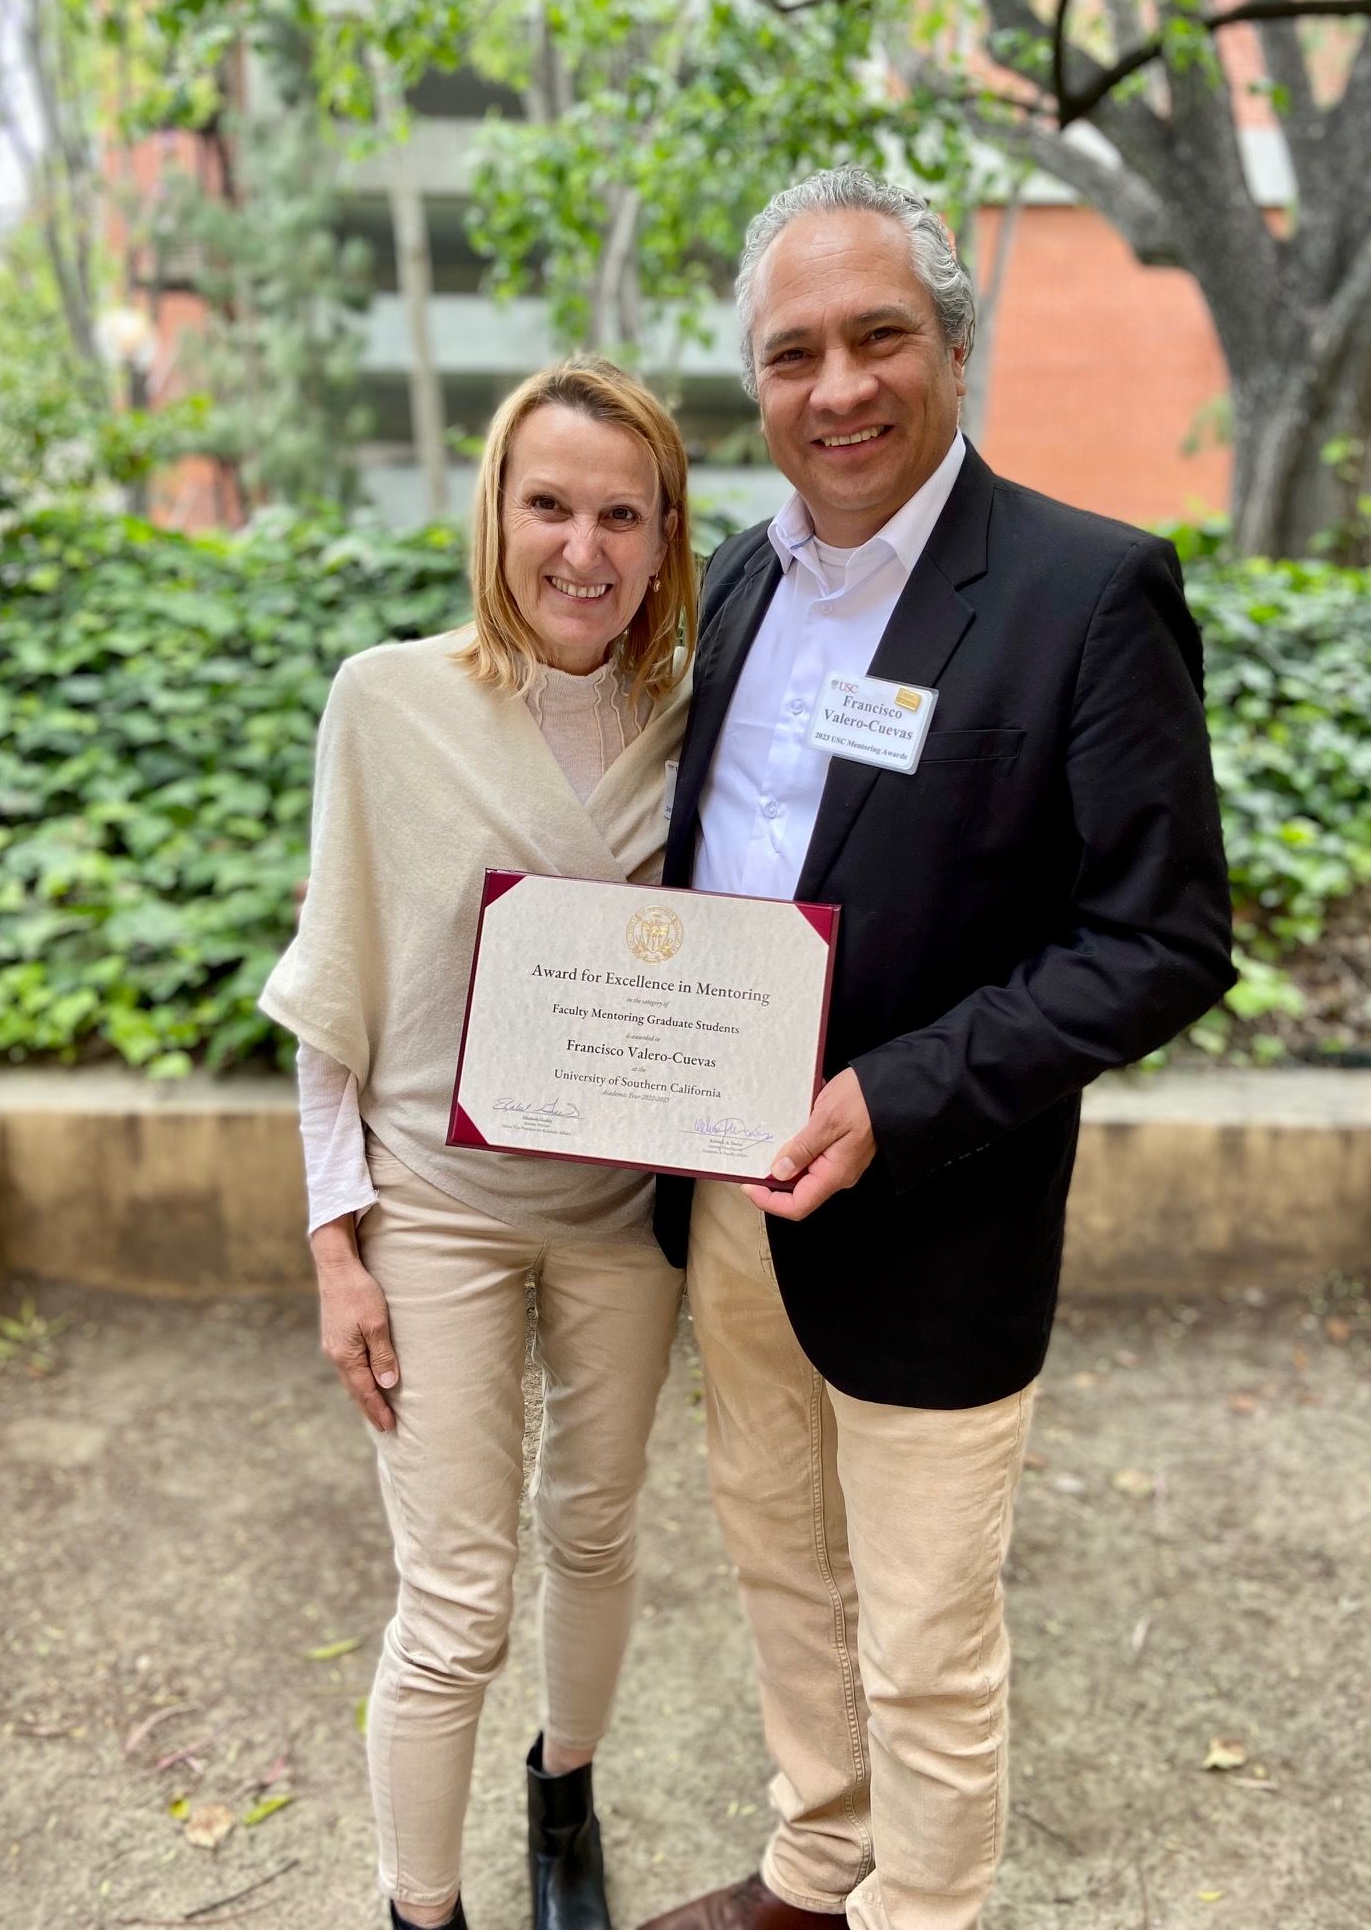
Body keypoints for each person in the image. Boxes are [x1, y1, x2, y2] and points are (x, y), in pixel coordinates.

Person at [641, 167, 1237, 1930]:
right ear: (757, 384)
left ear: (954, 348)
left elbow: (1163, 938)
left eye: (878, 336)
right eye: (792, 353)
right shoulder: (739, 581)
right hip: (727, 1189)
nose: (838, 388)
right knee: (779, 1576)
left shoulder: (1085, 588)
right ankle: (817, 1872)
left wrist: (899, 1098)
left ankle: (921, 1912)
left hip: (935, 1206)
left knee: (921, 1637)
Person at [260, 358, 696, 1930]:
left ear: (663, 540)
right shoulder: (387, 702)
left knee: (595, 1523)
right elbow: (334, 998)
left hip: (621, 1211)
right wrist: (337, 1248)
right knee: (450, 1602)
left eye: (620, 516)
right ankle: (417, 1909)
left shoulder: (697, 721)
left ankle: (562, 1797)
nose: (582, 549)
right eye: (550, 506)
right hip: (431, 1206)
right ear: (495, 514)